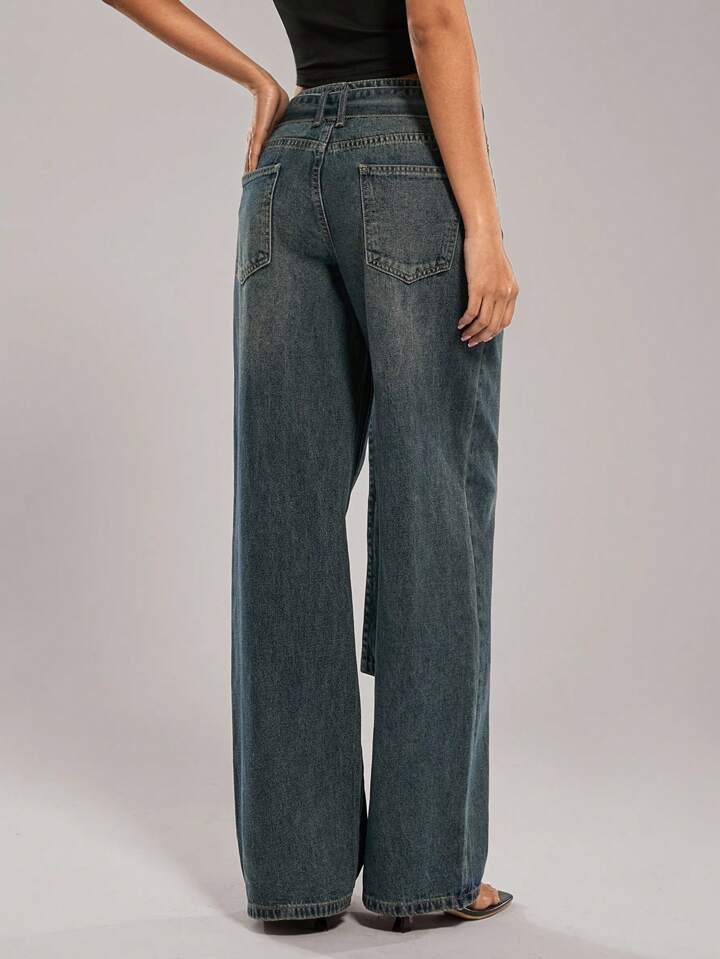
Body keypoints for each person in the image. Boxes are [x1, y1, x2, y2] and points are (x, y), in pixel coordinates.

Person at [101, 0, 519, 932]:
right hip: (408, 164)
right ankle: (427, 874)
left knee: (283, 523)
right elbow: (434, 22)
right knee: (433, 516)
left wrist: (258, 80)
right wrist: (484, 226)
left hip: (285, 172)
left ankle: (296, 877)